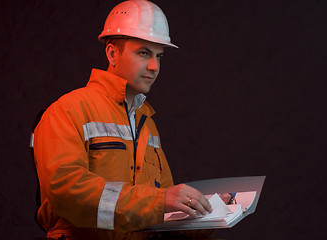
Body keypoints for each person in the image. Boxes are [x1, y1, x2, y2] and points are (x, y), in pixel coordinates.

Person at [32, 1, 212, 239]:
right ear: (112, 53)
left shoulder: (146, 123)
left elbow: (165, 208)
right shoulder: (68, 111)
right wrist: (160, 202)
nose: (154, 66)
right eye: (143, 53)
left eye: (159, 56)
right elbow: (69, 193)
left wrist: (207, 217)